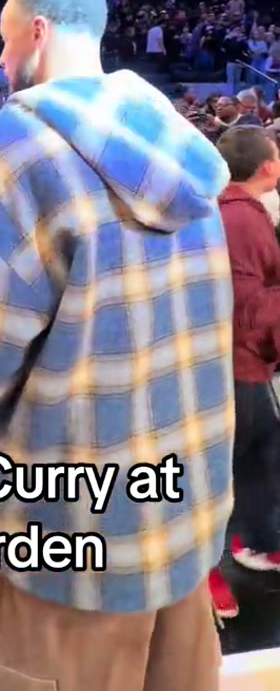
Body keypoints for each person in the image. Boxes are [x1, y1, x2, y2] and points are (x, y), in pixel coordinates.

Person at [0, 0, 234, 691]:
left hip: (64, 540)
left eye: (1, 44)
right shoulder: (177, 137)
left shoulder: (8, 150)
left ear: (37, 32)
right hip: (184, 523)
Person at [208, 127, 280, 619]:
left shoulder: (243, 211)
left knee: (260, 454)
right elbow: (249, 307)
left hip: (246, 358)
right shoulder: (240, 218)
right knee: (220, 468)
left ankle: (255, 539)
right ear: (268, 167)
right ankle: (205, 568)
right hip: (235, 360)